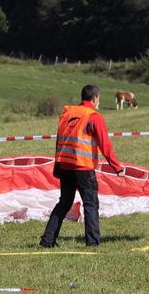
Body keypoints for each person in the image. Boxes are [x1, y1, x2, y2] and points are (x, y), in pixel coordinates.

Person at [40, 85, 125, 248]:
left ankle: (47, 240)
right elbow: (105, 145)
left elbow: (59, 141)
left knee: (64, 202)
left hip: (65, 166)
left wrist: (57, 166)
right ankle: (92, 243)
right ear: (94, 98)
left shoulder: (67, 113)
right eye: (98, 98)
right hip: (83, 168)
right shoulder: (94, 116)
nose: (98, 101)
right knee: (91, 203)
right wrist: (117, 168)